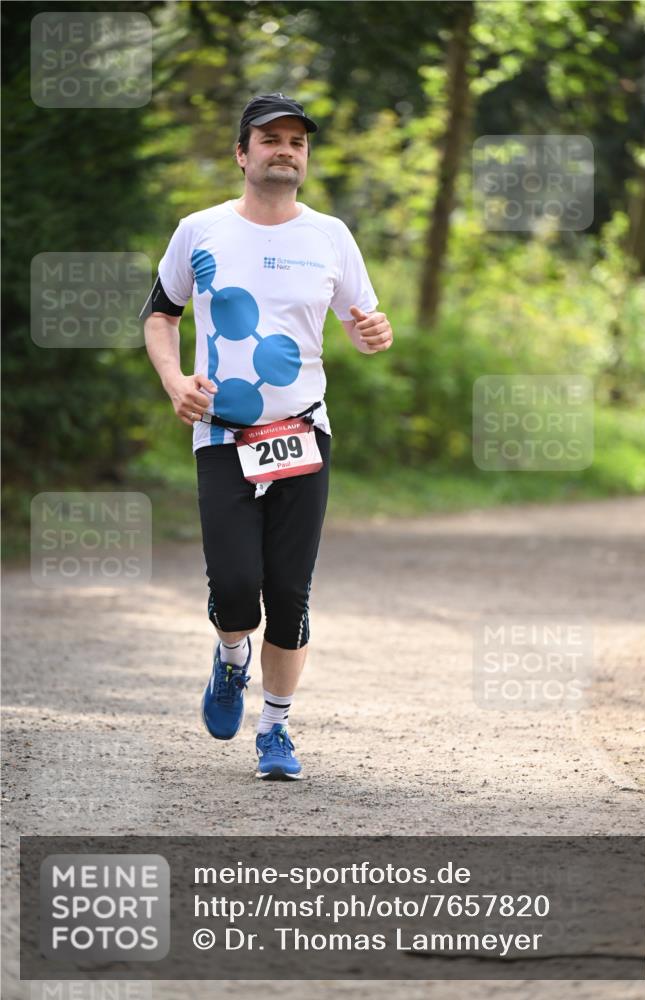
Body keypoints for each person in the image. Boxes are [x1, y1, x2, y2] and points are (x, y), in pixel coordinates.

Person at [142, 93, 393, 780]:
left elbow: (362, 323)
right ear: (241, 153)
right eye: (271, 139)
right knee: (234, 586)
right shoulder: (200, 231)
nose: (285, 150)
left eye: (297, 142)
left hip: (303, 430)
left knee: (289, 593)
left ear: (305, 157)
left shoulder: (330, 236)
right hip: (223, 434)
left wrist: (372, 333)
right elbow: (160, 315)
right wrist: (174, 381)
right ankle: (231, 660)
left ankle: (275, 729)